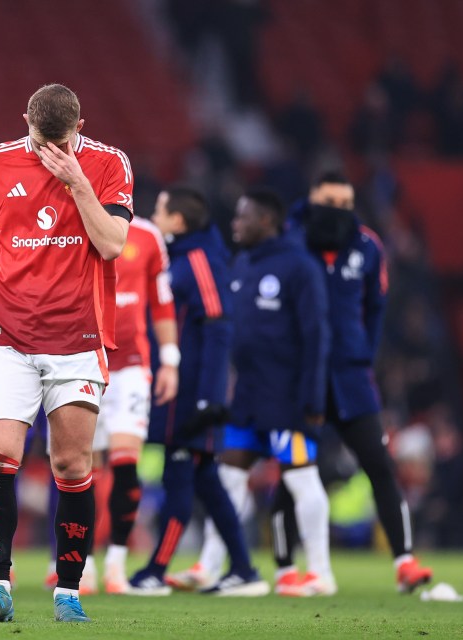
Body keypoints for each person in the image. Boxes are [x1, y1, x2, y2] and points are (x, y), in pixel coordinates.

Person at [0, 84, 134, 623]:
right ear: (24, 119)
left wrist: (78, 186)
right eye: (40, 139)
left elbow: (113, 243)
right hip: (7, 340)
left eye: (61, 141)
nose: (50, 150)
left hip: (77, 341)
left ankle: (68, 594)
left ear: (80, 125)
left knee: (71, 465)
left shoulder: (107, 163)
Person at [170, 189, 334, 596]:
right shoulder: (241, 264)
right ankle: (209, 566)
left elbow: (317, 336)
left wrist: (313, 398)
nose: (235, 223)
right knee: (226, 478)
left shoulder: (299, 267)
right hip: (246, 397)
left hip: (287, 397)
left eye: (243, 217)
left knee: (300, 478)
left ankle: (320, 572)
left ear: (267, 221)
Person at [275, 171, 433, 594]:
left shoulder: (367, 246)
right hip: (301, 380)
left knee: (380, 467)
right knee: (294, 472)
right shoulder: (288, 243)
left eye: (345, 204)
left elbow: (377, 307)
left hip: (351, 378)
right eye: (329, 202)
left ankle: (405, 561)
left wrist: (364, 352)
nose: (338, 212)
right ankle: (285, 566)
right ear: (311, 199)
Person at [127, 187, 268, 596]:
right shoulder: (178, 258)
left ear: (179, 221)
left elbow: (218, 325)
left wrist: (209, 398)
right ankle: (243, 569)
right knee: (207, 481)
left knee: (180, 478)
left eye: (160, 209)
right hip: (179, 391)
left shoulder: (201, 260)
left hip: (191, 395)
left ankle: (156, 569)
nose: (154, 214)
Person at [93, 215, 180, 594]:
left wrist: (171, 362)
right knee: (79, 467)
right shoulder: (72, 220)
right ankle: (76, 565)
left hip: (130, 365)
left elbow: (161, 302)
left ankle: (115, 564)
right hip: (78, 359)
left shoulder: (147, 236)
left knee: (126, 462)